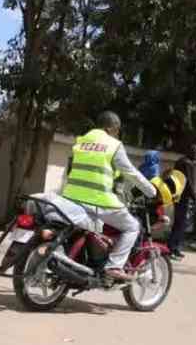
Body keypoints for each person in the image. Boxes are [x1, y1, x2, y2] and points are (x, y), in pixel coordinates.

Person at [62, 111, 157, 281]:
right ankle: (114, 266)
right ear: (111, 128)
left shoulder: (81, 141)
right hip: (97, 200)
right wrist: (151, 191)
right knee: (132, 226)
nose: (117, 133)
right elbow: (130, 172)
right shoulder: (113, 145)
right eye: (117, 130)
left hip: (71, 198)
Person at [168, 144, 196, 260]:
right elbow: (189, 182)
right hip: (182, 196)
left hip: (180, 195)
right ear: (190, 151)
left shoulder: (184, 161)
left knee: (181, 223)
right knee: (180, 223)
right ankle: (172, 248)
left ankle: (176, 247)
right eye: (195, 152)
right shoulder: (187, 163)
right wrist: (195, 198)